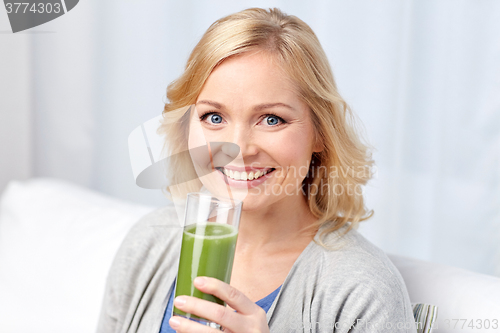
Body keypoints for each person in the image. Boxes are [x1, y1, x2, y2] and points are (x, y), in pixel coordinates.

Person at [97, 7, 417, 333]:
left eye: (271, 119)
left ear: (320, 132)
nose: (239, 147)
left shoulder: (362, 291)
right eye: (214, 117)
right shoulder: (149, 241)